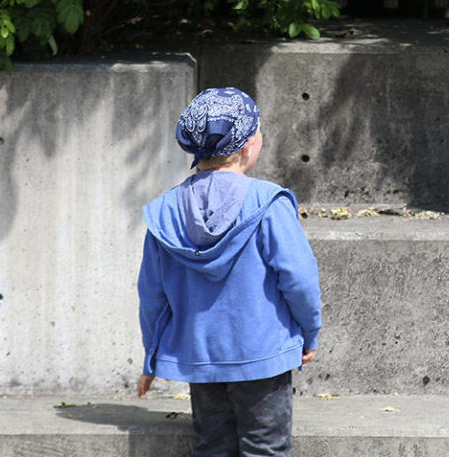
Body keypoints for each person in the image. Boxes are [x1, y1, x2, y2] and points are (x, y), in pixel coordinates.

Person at [137, 86, 322, 457]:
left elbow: (152, 294)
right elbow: (299, 277)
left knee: (212, 448)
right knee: (266, 449)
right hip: (262, 356)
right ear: (247, 147)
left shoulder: (165, 212)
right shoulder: (268, 203)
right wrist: (309, 332)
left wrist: (151, 356)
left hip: (200, 357)